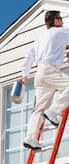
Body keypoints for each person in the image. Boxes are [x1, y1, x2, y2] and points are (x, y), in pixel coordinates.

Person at [21, 10, 69, 151]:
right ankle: (54, 111)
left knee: (39, 109)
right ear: (54, 21)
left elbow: (29, 56)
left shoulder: (41, 38)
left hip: (40, 74)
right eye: (60, 18)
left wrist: (24, 74)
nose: (62, 20)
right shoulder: (59, 32)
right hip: (50, 70)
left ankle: (30, 138)